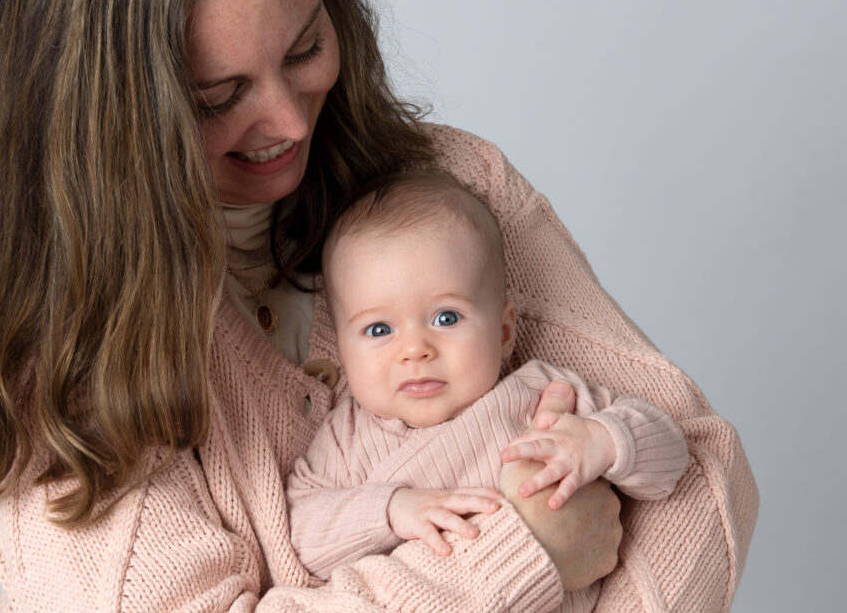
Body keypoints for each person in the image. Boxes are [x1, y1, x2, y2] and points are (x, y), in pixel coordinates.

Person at [0, 0, 757, 610]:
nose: (286, 118)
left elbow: (700, 467)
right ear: (103, 118)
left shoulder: (454, 190)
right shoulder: (30, 351)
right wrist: (521, 559)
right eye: (217, 97)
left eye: (304, 48)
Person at [286, 170, 689, 613]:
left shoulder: (542, 398)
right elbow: (303, 538)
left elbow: (672, 460)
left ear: (503, 331)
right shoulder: (345, 436)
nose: (415, 350)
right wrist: (391, 509)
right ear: (342, 350)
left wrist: (606, 441)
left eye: (446, 318)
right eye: (379, 329)